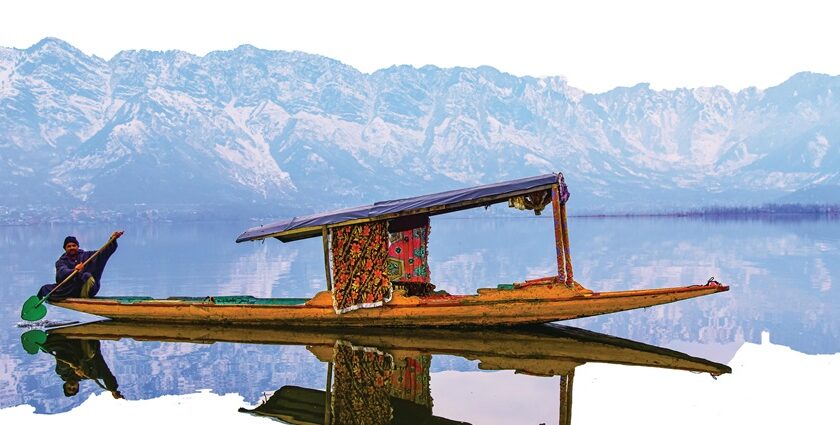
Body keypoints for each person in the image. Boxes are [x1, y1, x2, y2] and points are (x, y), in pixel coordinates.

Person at [37, 231, 124, 300]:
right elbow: (61, 272)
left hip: (87, 289)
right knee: (45, 288)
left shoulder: (88, 256)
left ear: (77, 246)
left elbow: (104, 252)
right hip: (70, 289)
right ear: (65, 248)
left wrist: (112, 239)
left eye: (74, 245)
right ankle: (37, 304)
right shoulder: (61, 261)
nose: (72, 248)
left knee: (87, 276)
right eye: (69, 246)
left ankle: (84, 298)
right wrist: (74, 270)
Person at [41, 333, 123, 399]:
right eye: (74, 388)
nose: (72, 386)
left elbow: (62, 357)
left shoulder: (61, 371)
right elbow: (106, 374)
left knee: (47, 351)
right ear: (78, 386)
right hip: (86, 342)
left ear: (65, 385)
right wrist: (113, 389)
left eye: (69, 388)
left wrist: (76, 366)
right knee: (89, 356)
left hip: (65, 343)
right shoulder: (90, 374)